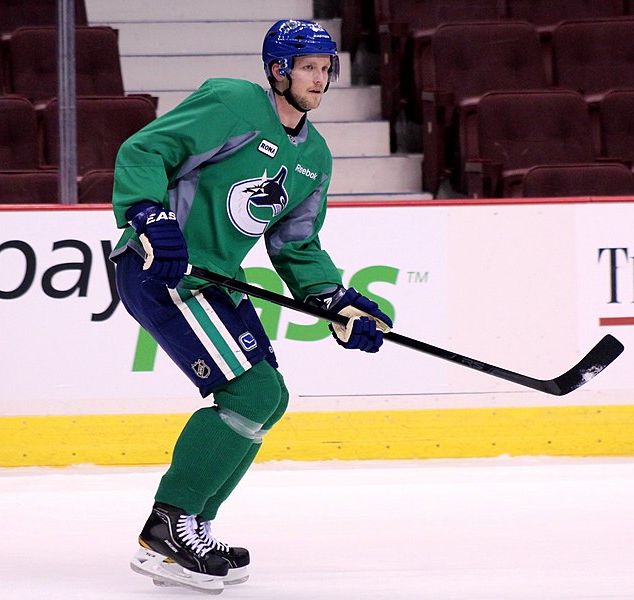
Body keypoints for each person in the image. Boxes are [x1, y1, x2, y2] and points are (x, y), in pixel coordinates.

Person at [110, 19, 393, 595]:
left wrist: (334, 301)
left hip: (217, 279)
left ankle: (190, 525)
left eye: (325, 68)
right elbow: (145, 149)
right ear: (277, 70)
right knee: (252, 393)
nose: (320, 78)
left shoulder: (314, 156)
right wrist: (147, 214)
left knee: (270, 399)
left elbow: (296, 245)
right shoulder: (235, 104)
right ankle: (170, 524)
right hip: (163, 268)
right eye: (307, 67)